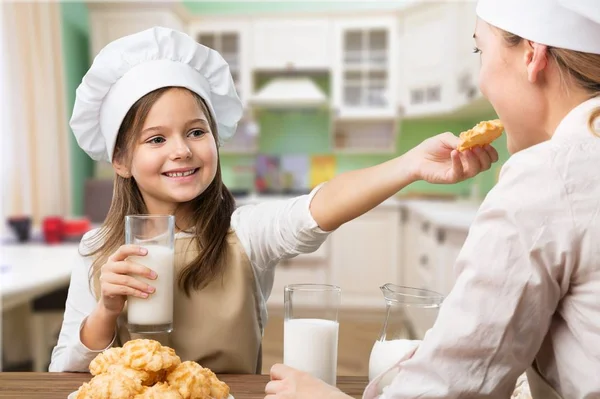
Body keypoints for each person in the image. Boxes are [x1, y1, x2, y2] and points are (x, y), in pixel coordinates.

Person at [48, 26, 497, 374]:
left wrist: (411, 164)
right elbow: (65, 370)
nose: (181, 150)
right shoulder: (96, 251)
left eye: (197, 132)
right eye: (156, 138)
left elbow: (317, 208)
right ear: (121, 160)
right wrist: (107, 308)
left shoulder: (243, 234)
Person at [264, 0, 600, 398]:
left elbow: (453, 389)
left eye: (481, 50)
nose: (480, 78)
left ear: (532, 54)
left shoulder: (546, 175)